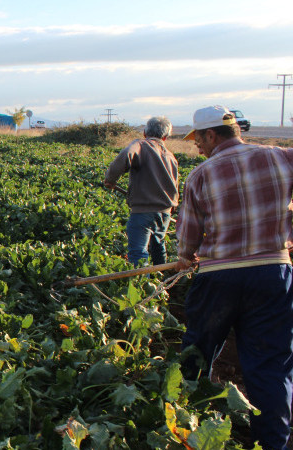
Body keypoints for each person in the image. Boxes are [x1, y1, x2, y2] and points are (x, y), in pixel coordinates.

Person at [175, 105, 293, 449]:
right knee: (271, 366)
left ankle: (183, 424)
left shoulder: (201, 175)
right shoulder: (283, 157)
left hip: (218, 277)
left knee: (197, 351)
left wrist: (185, 258)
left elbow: (188, 241)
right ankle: (273, 443)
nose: (197, 146)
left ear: (212, 135)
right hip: (273, 274)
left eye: (198, 139)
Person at [103, 116, 179, 266]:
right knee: (158, 247)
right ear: (165, 137)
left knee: (138, 252)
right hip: (165, 212)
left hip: (144, 211)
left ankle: (142, 285)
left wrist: (111, 180)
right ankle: (161, 280)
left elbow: (126, 156)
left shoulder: (140, 145)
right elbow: (174, 184)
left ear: (145, 132)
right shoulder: (170, 156)